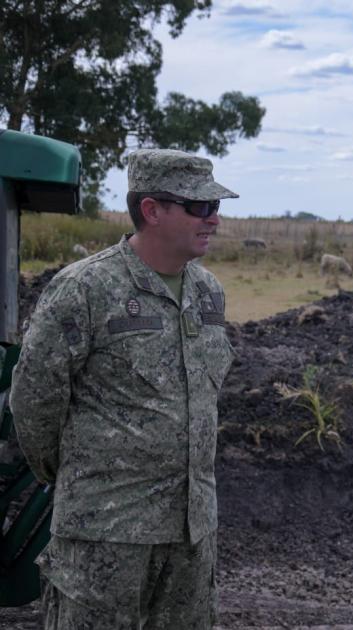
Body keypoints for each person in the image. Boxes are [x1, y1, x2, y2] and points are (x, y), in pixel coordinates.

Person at [10, 149, 237, 629]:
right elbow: (34, 401)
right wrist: (81, 479)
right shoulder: (85, 290)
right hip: (105, 535)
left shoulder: (208, 293)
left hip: (192, 537)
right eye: (200, 207)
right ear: (152, 210)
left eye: (216, 207)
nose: (214, 219)